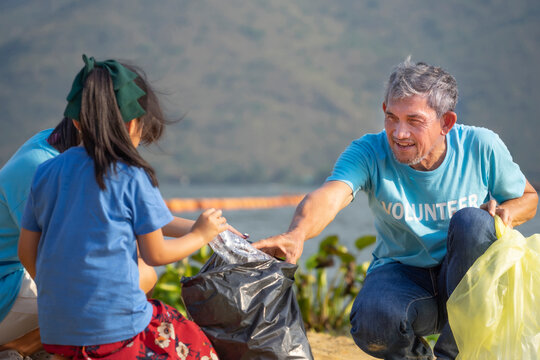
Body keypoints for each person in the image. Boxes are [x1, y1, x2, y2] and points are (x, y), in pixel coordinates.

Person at [254, 58, 538, 359]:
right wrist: (297, 234)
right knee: (372, 324)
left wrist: (509, 213)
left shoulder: (481, 146)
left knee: (474, 222)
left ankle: (451, 355)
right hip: (404, 278)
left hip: (470, 285)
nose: (399, 133)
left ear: (446, 123)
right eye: (392, 118)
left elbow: (528, 198)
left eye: (414, 121)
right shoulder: (368, 151)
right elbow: (331, 195)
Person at [17, 55, 225, 359]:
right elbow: (157, 254)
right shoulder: (132, 175)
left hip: (56, 329)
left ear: (75, 120)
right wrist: (201, 235)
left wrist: (63, 295)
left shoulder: (46, 173)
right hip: (114, 330)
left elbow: (26, 252)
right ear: (133, 124)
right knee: (194, 344)